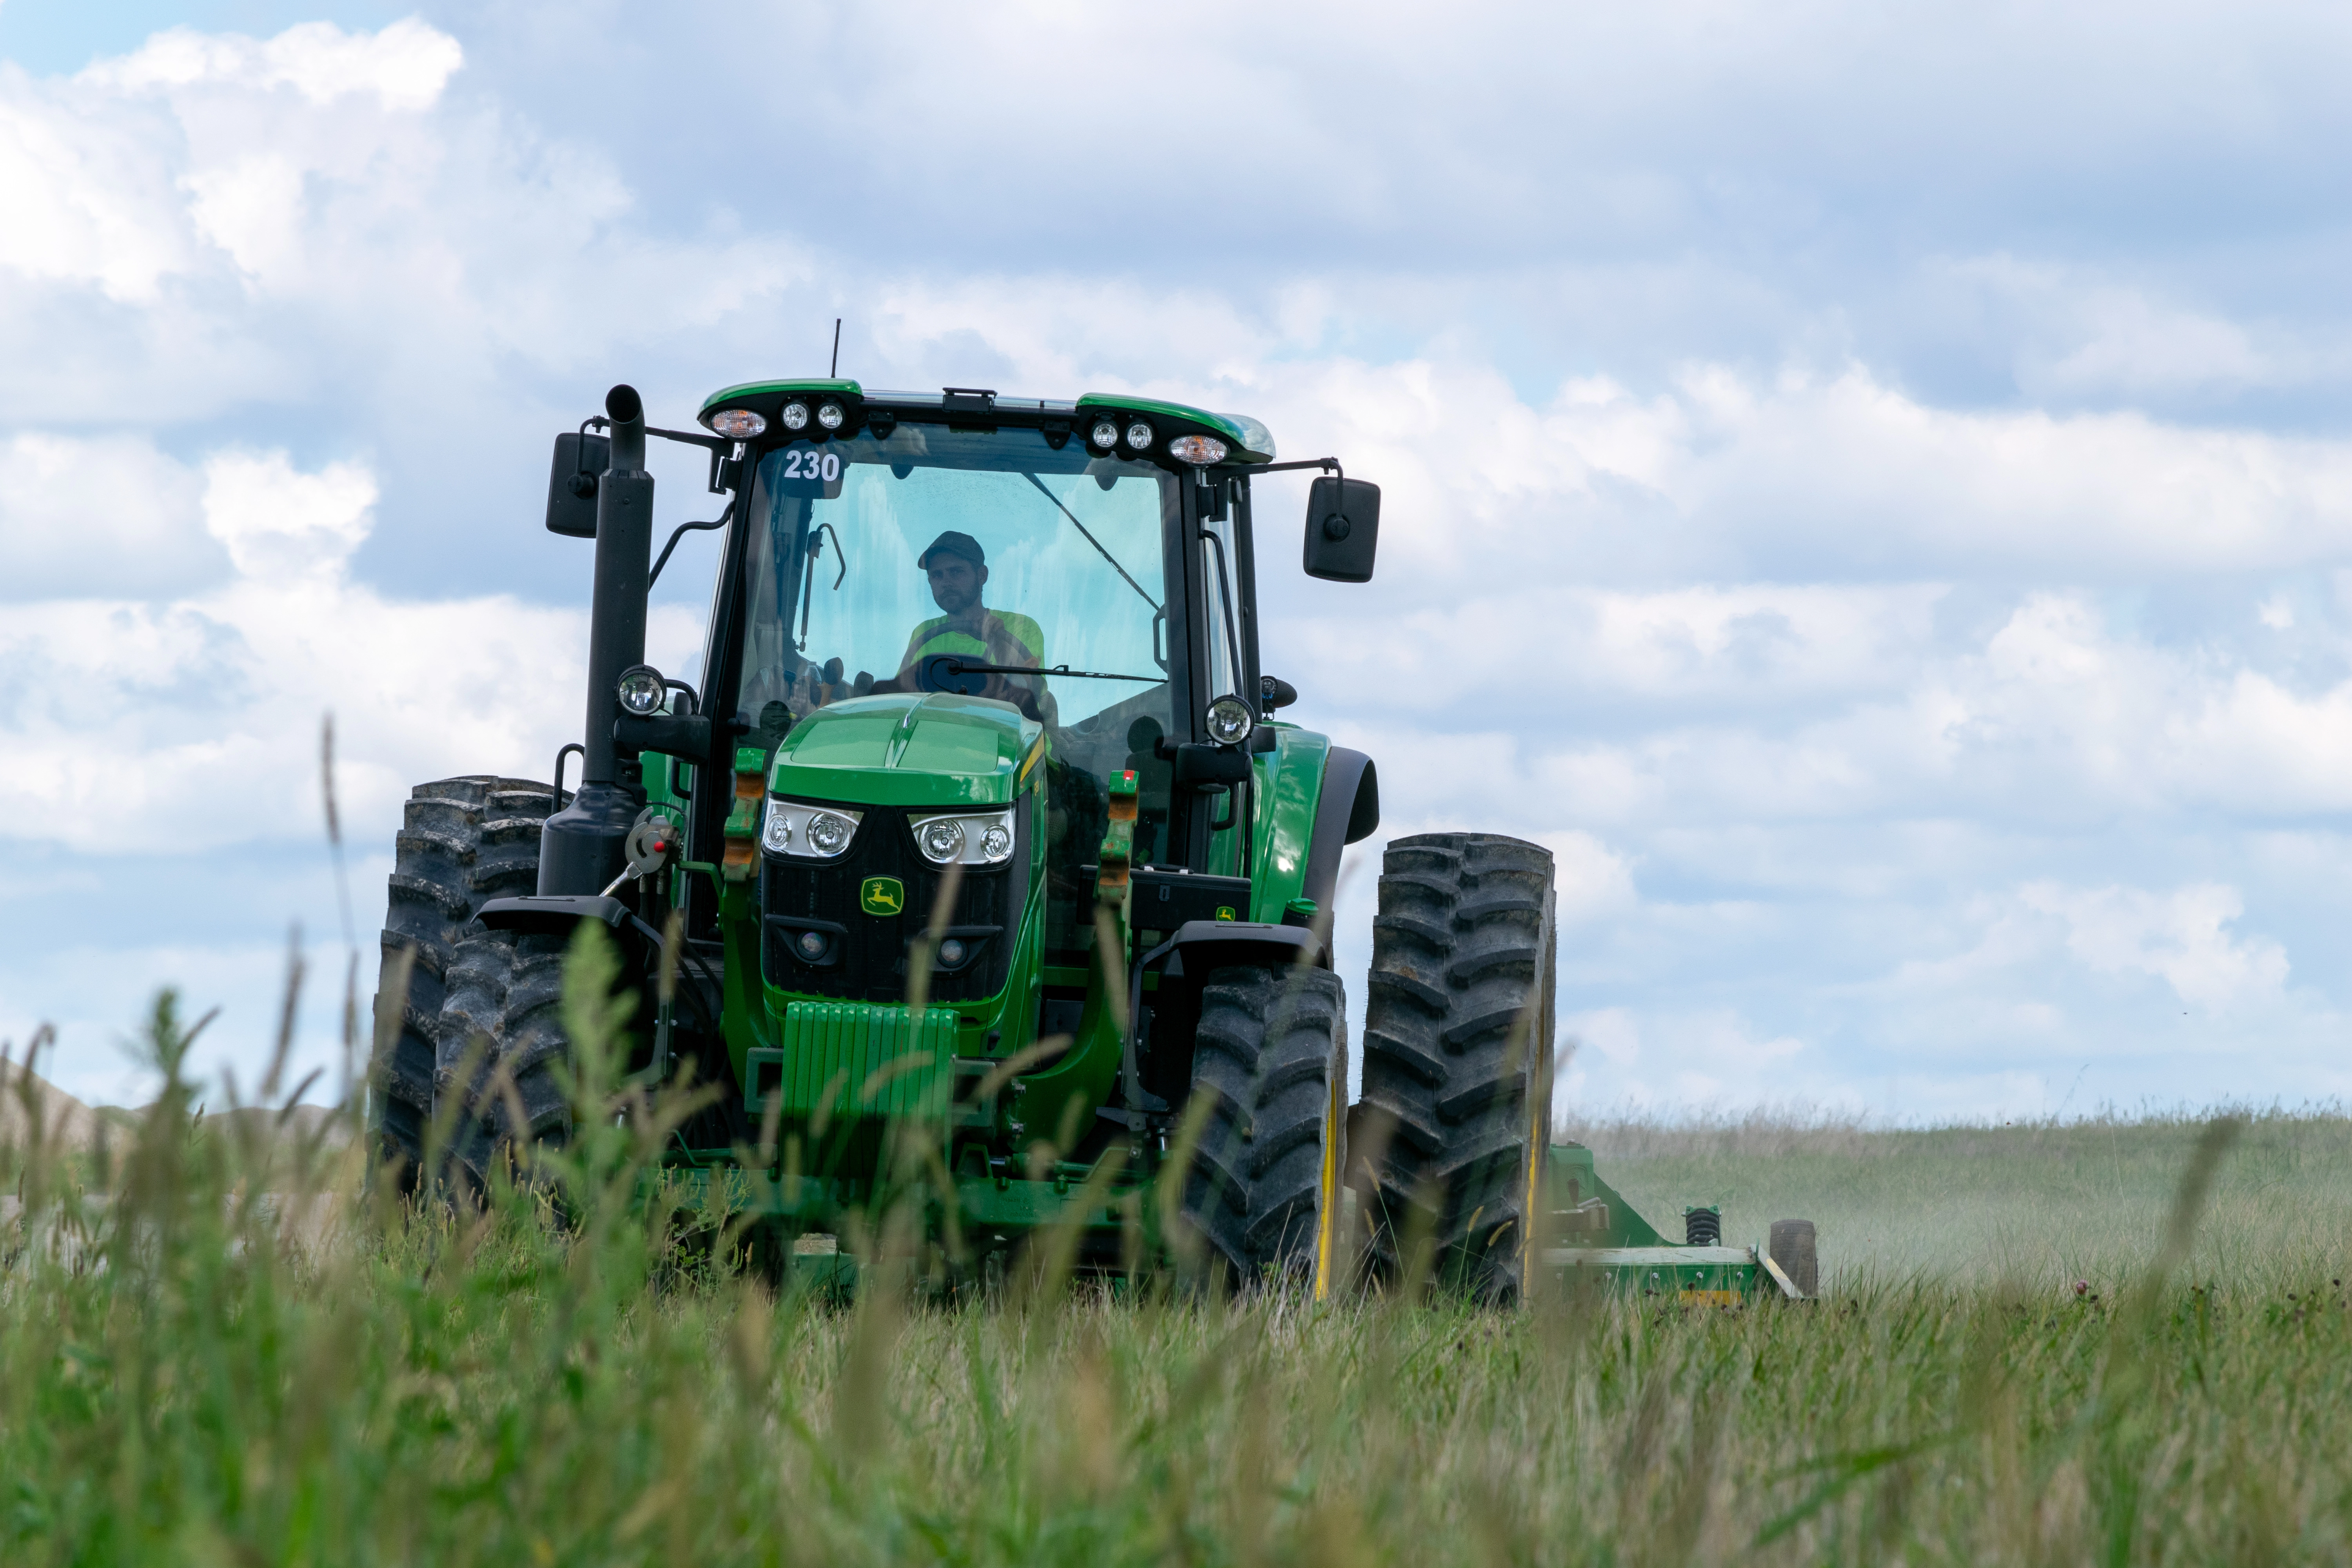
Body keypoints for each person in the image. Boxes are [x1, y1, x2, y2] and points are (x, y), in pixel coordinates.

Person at [880, 531, 1052, 716]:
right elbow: (902, 699)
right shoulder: (924, 634)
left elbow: (1025, 701)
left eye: (956, 572)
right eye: (937, 575)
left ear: (982, 576)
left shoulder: (1021, 627)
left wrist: (998, 643)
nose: (946, 582)